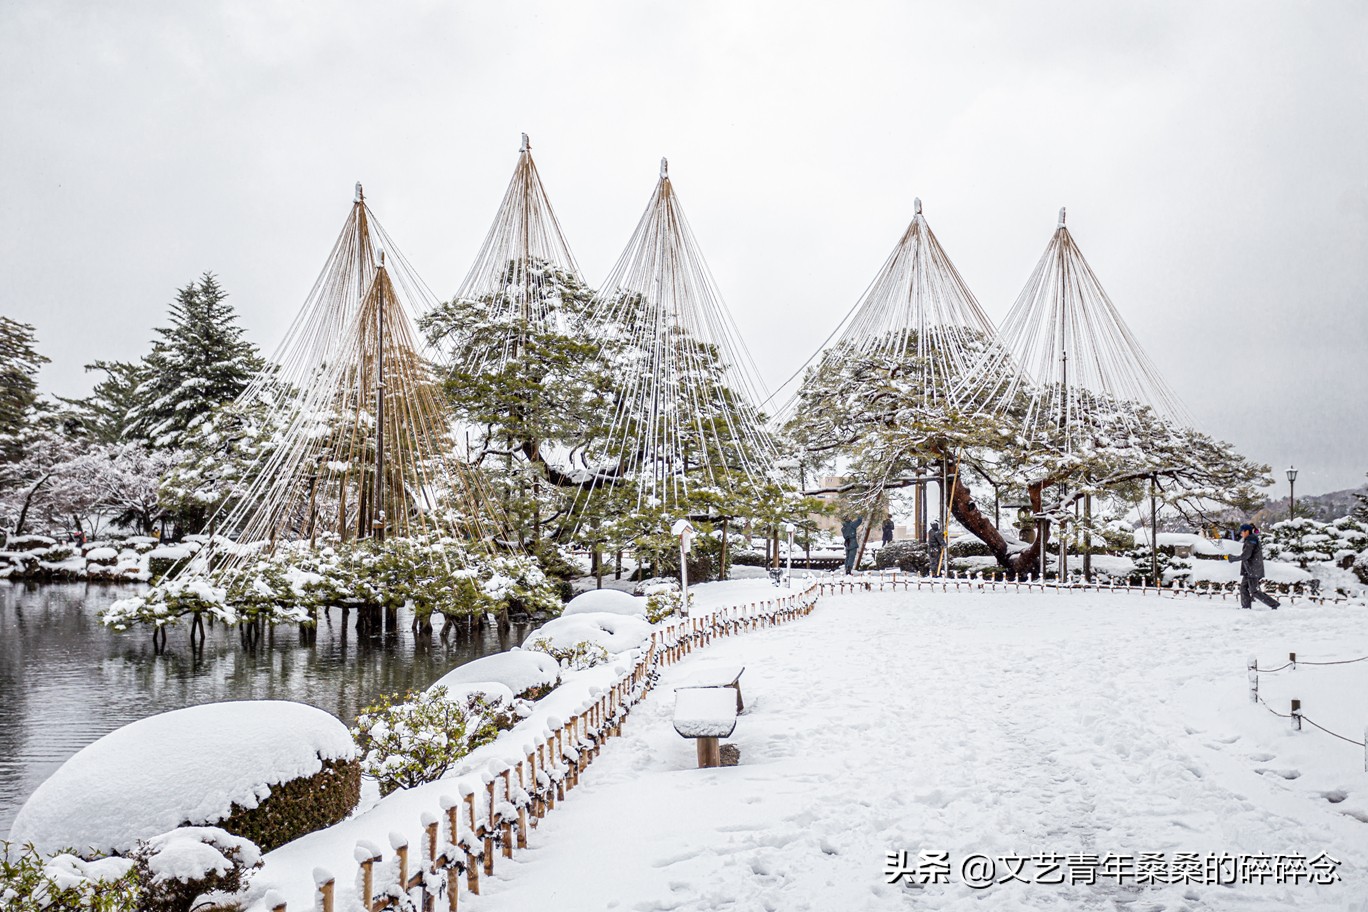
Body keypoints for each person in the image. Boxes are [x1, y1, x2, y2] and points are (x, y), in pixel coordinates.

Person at [1226, 523, 1279, 609]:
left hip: (1252, 570)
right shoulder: (1251, 539)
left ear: (1247, 531)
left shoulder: (1251, 540)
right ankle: (1246, 607)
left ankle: (1273, 604)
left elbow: (1246, 556)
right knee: (1243, 589)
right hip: (1249, 570)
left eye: (1242, 532)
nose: (1241, 534)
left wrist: (1232, 558)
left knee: (1254, 591)